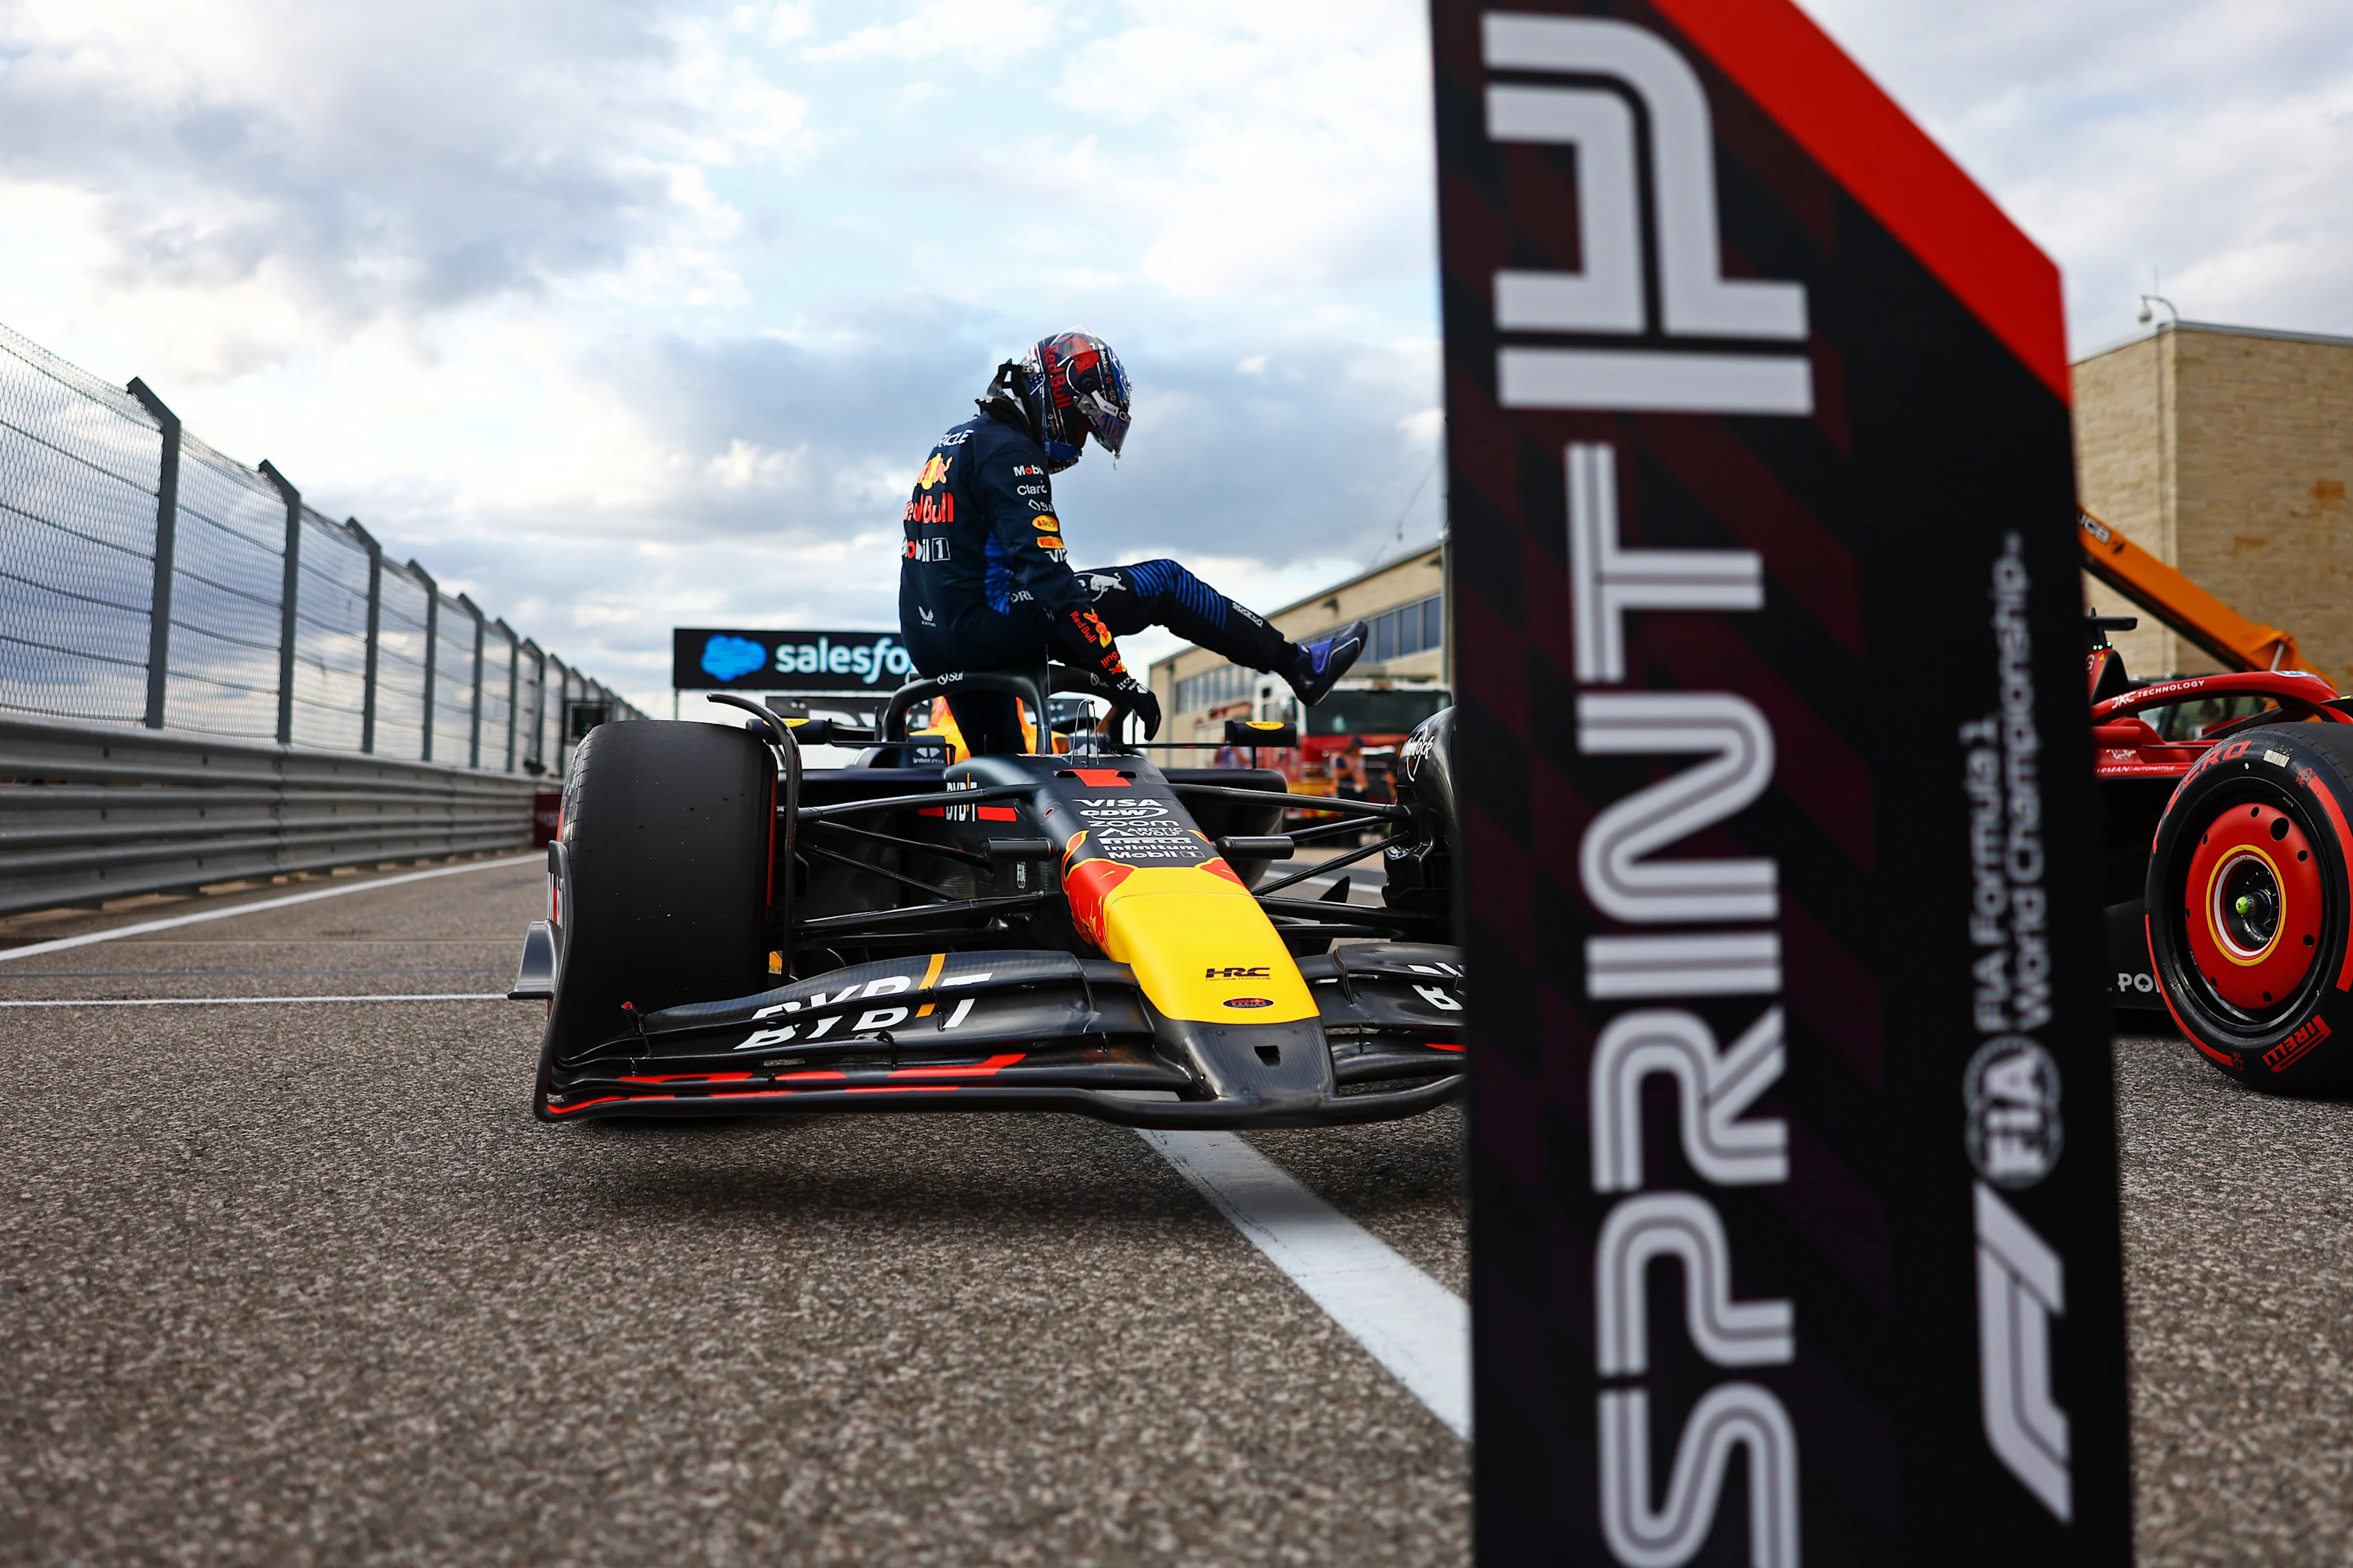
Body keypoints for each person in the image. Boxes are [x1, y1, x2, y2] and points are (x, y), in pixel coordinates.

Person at [896, 329, 1367, 755]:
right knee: (1164, 582)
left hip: (930, 641)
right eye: (1083, 426)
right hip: (983, 627)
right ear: (1057, 398)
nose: (1080, 446)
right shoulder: (1010, 452)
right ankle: (1298, 665)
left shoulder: (956, 439)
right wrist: (1117, 677)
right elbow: (1048, 581)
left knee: (1002, 781)